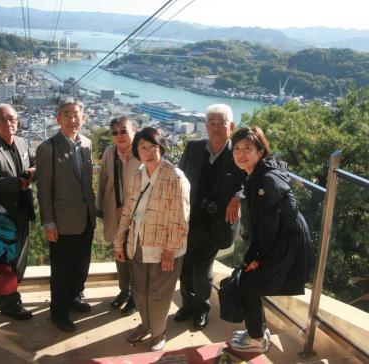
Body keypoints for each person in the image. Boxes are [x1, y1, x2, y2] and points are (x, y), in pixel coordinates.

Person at [228, 126, 311, 353]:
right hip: (280, 235)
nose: (241, 153)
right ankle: (258, 330)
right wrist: (252, 256)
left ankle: (256, 339)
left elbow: (268, 226)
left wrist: (257, 258)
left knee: (249, 284)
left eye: (248, 148)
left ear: (260, 151)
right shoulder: (256, 174)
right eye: (236, 148)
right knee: (249, 280)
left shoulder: (265, 181)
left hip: (285, 240)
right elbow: (263, 223)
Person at [113, 127, 190, 352]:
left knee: (159, 293)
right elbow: (127, 211)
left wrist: (170, 251)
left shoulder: (175, 176)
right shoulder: (138, 175)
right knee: (139, 289)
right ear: (137, 151)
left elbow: (181, 218)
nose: (148, 151)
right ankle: (146, 325)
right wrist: (119, 242)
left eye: (152, 146)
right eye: (142, 147)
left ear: (161, 147)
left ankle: (159, 333)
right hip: (137, 243)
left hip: (164, 247)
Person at [175, 104, 245, 330]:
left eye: (221, 123)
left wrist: (238, 196)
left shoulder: (238, 153)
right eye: (212, 123)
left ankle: (201, 308)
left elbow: (249, 181)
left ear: (231, 126)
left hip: (216, 225)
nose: (216, 128)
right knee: (185, 267)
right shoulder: (194, 148)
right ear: (206, 126)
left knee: (202, 271)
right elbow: (178, 177)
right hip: (188, 219)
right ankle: (186, 304)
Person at [36, 98, 96, 332]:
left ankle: (74, 298)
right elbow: (44, 190)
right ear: (58, 118)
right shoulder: (47, 148)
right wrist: (49, 222)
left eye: (76, 114)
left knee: (81, 265)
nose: (72, 119)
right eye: (67, 114)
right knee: (61, 270)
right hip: (61, 221)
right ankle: (58, 312)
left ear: (84, 118)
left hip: (86, 217)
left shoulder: (87, 144)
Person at [0, 104, 36, 320]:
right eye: (1, 120)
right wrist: (19, 181)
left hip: (22, 210)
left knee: (14, 256)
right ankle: (11, 302)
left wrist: (32, 171)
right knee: (10, 259)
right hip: (2, 215)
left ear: (18, 120)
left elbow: (35, 164)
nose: (8, 124)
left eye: (11, 118)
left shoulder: (22, 142)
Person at [96, 116, 141, 316]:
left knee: (135, 255)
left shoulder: (143, 152)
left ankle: (136, 297)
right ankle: (125, 290)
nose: (120, 136)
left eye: (124, 131)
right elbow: (103, 180)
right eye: (115, 132)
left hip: (137, 216)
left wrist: (131, 208)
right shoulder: (109, 152)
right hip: (113, 212)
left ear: (134, 131)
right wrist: (99, 208)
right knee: (120, 254)